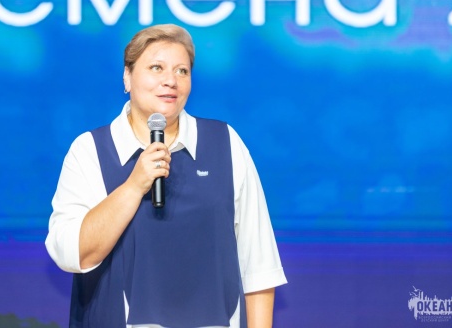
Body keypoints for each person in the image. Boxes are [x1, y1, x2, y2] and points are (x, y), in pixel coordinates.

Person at [45, 24, 287, 328]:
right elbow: (71, 253)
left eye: (181, 71)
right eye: (156, 68)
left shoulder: (224, 143)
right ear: (127, 77)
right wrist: (133, 186)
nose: (170, 81)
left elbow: (259, 265)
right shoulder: (90, 150)